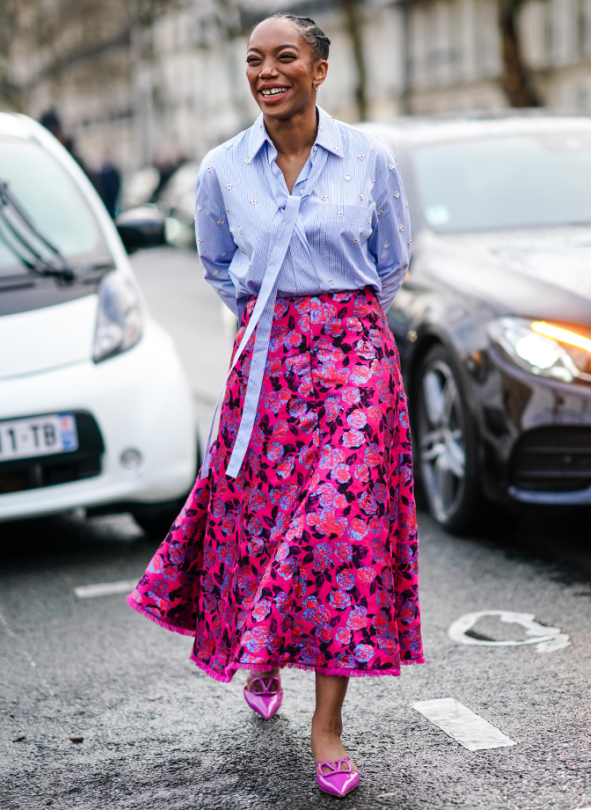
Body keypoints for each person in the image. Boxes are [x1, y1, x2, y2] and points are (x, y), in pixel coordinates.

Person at [128, 12, 424, 798]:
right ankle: (262, 648)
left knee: (337, 531)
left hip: (355, 359)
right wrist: (280, 320)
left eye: (285, 56)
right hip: (265, 361)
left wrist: (333, 319)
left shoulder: (369, 159)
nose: (267, 70)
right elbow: (219, 266)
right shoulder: (224, 167)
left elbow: (391, 261)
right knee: (267, 524)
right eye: (254, 58)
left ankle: (327, 727)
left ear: (319, 70)